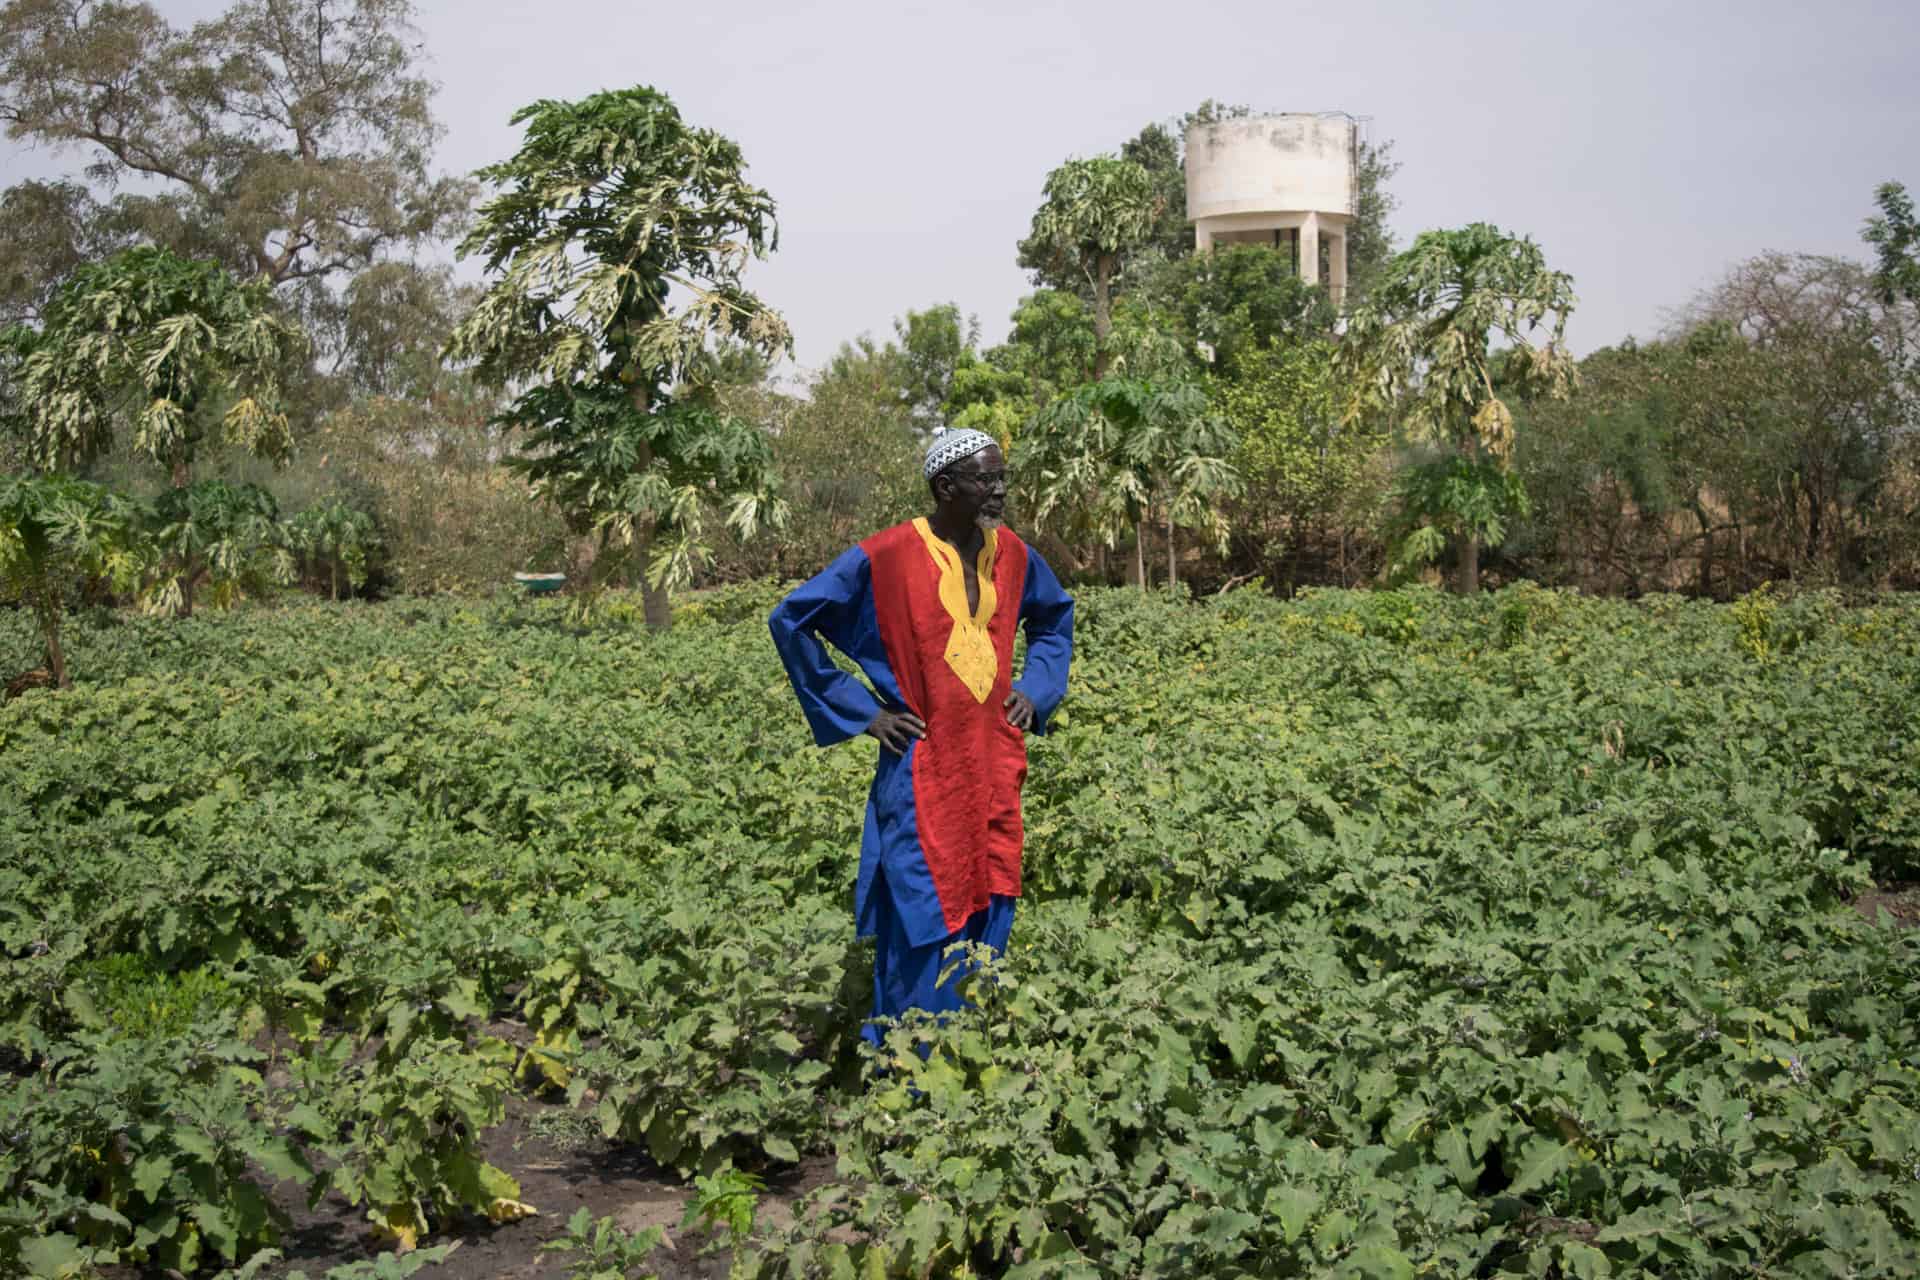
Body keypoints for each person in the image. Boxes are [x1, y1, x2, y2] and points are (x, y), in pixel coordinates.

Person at [768, 427, 1074, 1048]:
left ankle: (968, 1048)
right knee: (923, 898)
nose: (999, 491)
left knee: (990, 883)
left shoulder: (1012, 553)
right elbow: (793, 619)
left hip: (993, 761)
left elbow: (1053, 618)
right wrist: (864, 711)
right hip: (924, 766)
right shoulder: (888, 554)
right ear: (945, 486)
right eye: (986, 479)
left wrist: (1036, 690)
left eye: (1001, 478)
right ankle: (905, 1070)